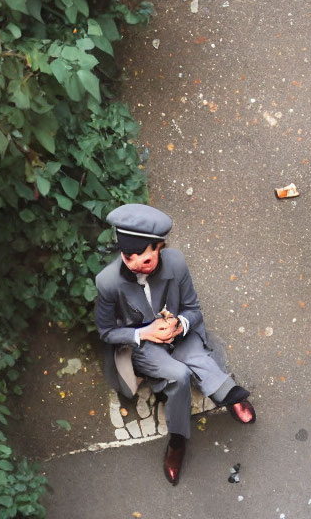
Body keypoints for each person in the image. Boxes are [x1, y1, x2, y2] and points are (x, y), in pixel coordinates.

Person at [95, 203, 256, 485]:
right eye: (128, 257)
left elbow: (193, 309)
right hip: (143, 347)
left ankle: (228, 395)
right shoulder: (108, 282)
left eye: (145, 260)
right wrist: (144, 332)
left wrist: (179, 324)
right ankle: (178, 441)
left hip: (177, 335)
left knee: (195, 355)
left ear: (159, 248)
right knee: (178, 376)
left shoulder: (176, 262)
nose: (134, 265)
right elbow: (107, 332)